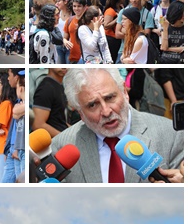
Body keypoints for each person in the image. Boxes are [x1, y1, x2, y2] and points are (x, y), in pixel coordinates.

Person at [51, 69, 184, 183]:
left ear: (125, 93)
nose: (106, 111)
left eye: (110, 98)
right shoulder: (60, 147)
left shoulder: (172, 135)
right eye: (92, 105)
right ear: (80, 112)